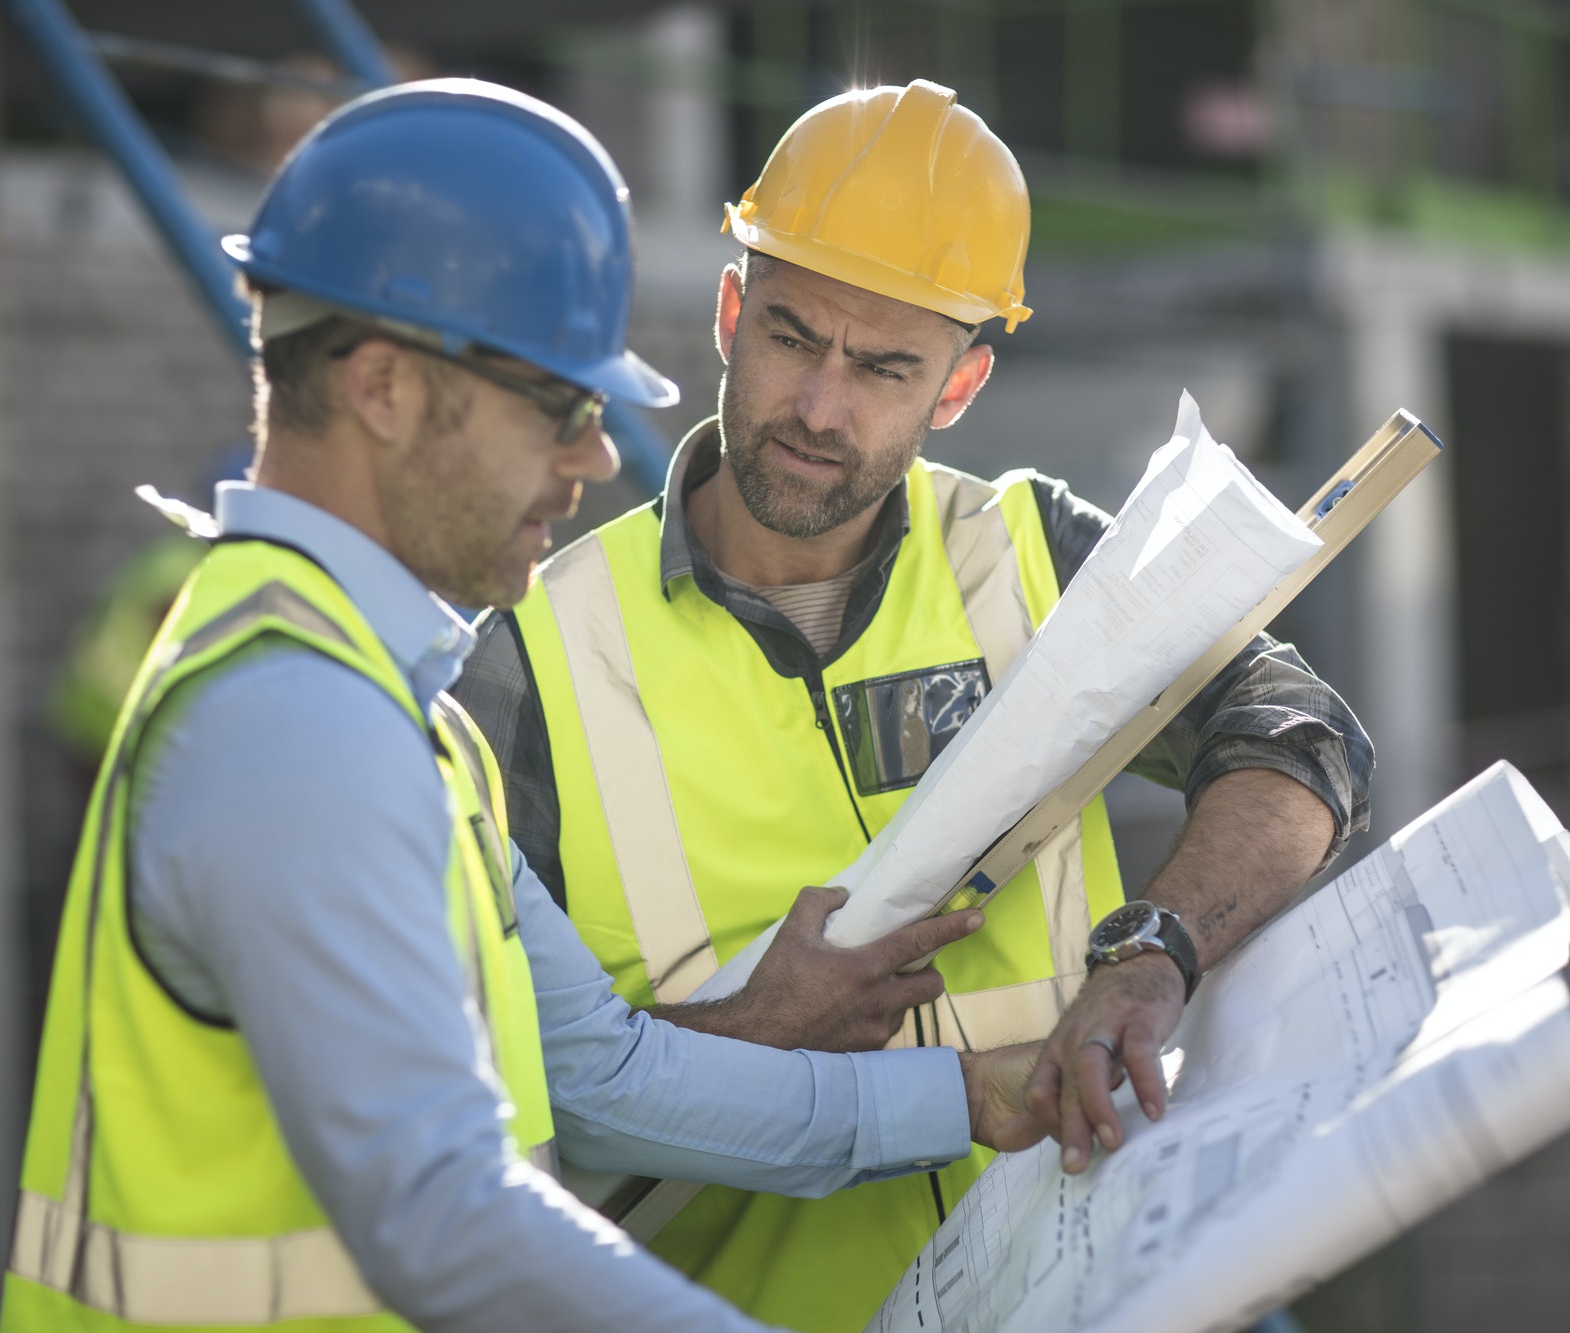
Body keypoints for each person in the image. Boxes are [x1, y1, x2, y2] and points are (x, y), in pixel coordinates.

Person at [0, 79, 1048, 1333]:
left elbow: (601, 1073)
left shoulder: (388, 704)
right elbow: (442, 1215)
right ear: (383, 387)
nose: (596, 457)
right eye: (558, 403)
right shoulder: (296, 728)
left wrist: (971, 1100)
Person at [452, 78, 1373, 1331]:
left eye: (883, 366)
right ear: (729, 308)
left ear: (960, 384)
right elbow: (476, 1096)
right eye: (789, 337)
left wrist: (1156, 953)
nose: (820, 410)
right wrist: (743, 1029)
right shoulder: (531, 652)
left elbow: (1297, 737)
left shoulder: (1034, 555)